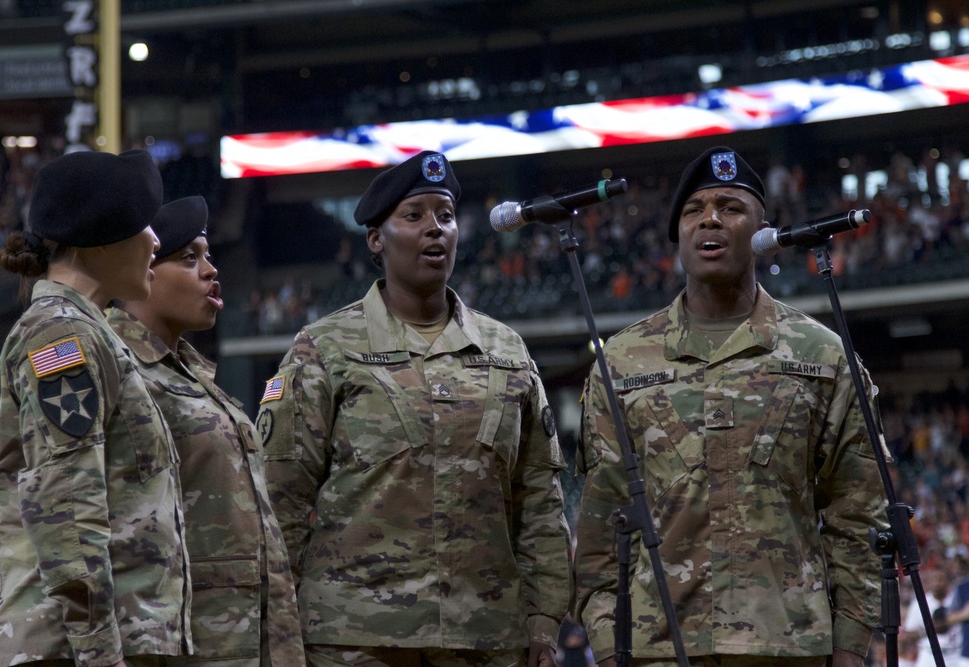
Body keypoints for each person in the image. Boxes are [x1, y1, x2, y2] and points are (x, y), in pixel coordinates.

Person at [572, 146, 889, 666]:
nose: (709, 219)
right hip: (659, 651)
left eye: (730, 207)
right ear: (677, 235)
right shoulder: (623, 362)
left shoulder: (821, 355)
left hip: (788, 647)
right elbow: (603, 524)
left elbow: (859, 514)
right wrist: (609, 649)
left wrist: (851, 645)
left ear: (763, 230)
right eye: (693, 210)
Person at [258, 151, 573, 667]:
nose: (435, 229)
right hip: (353, 641)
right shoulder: (325, 347)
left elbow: (538, 498)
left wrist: (543, 621)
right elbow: (278, 499)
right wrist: (279, 627)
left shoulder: (507, 351)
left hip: (486, 637)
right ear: (376, 239)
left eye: (445, 216)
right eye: (414, 215)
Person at [0, 150, 193, 667]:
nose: (157, 241)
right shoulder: (62, 332)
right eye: (144, 225)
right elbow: (66, 510)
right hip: (75, 649)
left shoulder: (85, 328)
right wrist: (100, 652)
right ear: (101, 240)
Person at [107, 196, 306, 665]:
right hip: (183, 643)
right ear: (141, 270)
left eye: (209, 256)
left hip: (244, 638)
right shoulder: (118, 369)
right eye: (188, 258)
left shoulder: (191, 374)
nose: (211, 271)